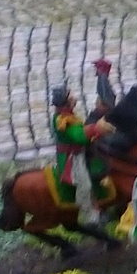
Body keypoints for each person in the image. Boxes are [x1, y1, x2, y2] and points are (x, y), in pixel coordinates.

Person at [52, 84, 102, 233]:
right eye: (70, 96)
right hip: (72, 157)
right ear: (65, 102)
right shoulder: (62, 120)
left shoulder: (70, 115)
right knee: (84, 185)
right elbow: (79, 137)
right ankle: (90, 216)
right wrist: (95, 129)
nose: (74, 97)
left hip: (82, 152)